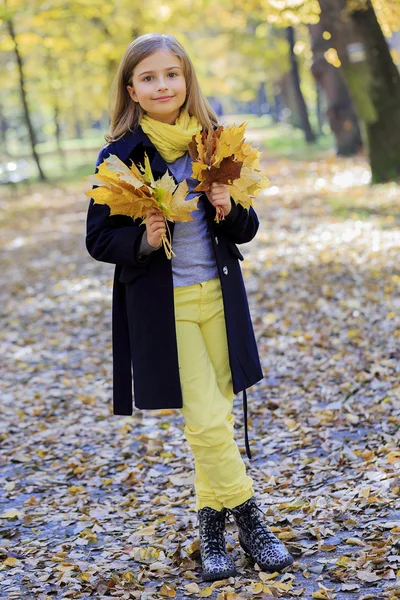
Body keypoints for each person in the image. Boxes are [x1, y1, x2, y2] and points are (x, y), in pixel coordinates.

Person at [85, 32, 293, 582]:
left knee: (214, 420)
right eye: (148, 77)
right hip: (165, 308)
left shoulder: (214, 143)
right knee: (205, 421)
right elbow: (99, 239)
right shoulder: (121, 155)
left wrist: (228, 207)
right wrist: (146, 242)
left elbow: (247, 227)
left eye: (171, 75)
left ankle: (211, 530)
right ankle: (251, 521)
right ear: (131, 88)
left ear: (186, 79)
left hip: (220, 300)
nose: (162, 85)